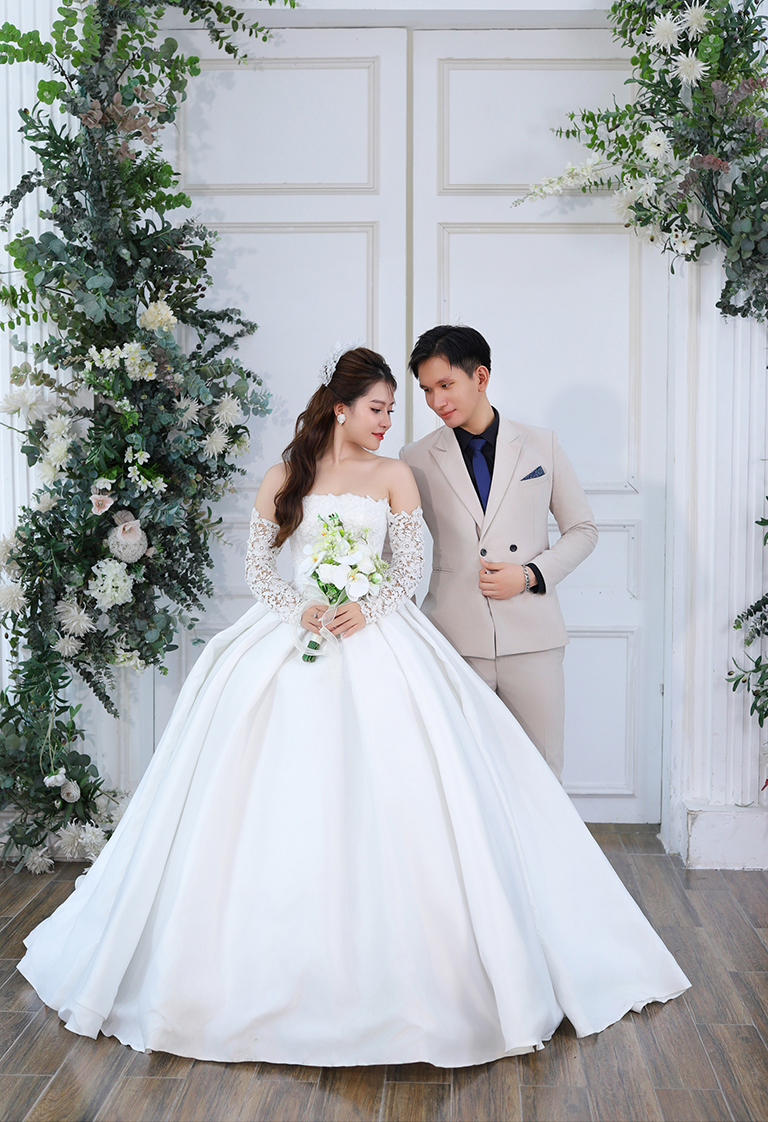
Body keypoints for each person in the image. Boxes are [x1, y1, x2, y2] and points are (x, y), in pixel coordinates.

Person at [17, 347, 688, 1068]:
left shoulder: (395, 474)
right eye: (378, 408)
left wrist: (368, 607)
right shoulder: (284, 477)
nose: (389, 421)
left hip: (379, 634)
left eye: (395, 409)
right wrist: (298, 608)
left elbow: (411, 567)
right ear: (340, 408)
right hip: (296, 634)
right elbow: (258, 570)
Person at [402, 325, 598, 781]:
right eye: (427, 390)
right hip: (453, 641)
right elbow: (398, 553)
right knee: (463, 778)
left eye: (445, 385)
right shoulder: (414, 457)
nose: (436, 401)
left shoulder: (541, 444)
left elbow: (583, 530)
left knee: (541, 775)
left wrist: (529, 574)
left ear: (481, 377)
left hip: (533, 639)